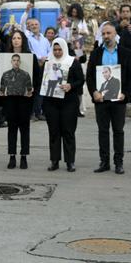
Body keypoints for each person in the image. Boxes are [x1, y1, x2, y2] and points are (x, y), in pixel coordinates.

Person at [86, 23, 131, 174]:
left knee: (118, 131)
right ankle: (104, 162)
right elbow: (89, 76)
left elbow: (130, 77)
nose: (106, 36)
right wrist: (94, 92)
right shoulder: (96, 54)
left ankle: (119, 162)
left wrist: (126, 94)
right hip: (101, 99)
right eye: (104, 34)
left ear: (115, 34)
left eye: (109, 33)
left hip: (119, 99)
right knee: (103, 131)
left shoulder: (125, 53)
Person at [42, 38, 85, 172]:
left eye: (60, 49)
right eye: (55, 49)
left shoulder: (72, 62)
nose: (57, 52)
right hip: (51, 102)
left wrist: (70, 85)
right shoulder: (48, 63)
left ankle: (70, 161)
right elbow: (41, 80)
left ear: (64, 49)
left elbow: (81, 80)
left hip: (69, 102)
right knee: (54, 132)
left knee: (68, 132)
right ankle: (54, 160)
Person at [0, 52, 34, 169]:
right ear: (11, 61)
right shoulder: (5, 74)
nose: (16, 62)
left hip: (23, 102)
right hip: (10, 103)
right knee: (12, 130)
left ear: (20, 62)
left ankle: (24, 156)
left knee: (24, 131)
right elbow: (2, 90)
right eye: (14, 60)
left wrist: (30, 93)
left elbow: (30, 90)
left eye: (18, 60)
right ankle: (12, 156)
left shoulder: (25, 75)